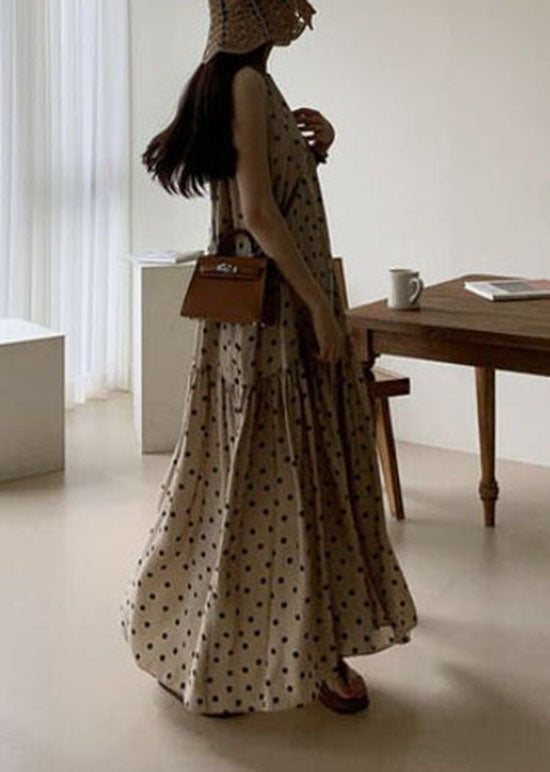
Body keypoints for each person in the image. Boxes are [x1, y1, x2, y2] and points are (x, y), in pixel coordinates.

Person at [119, 0, 418, 718]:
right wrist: (319, 305)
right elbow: (256, 212)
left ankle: (284, 647)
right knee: (280, 488)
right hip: (276, 322)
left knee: (266, 488)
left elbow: (268, 191)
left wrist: (318, 146)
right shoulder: (247, 83)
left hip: (261, 324)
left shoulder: (246, 83)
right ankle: (240, 653)